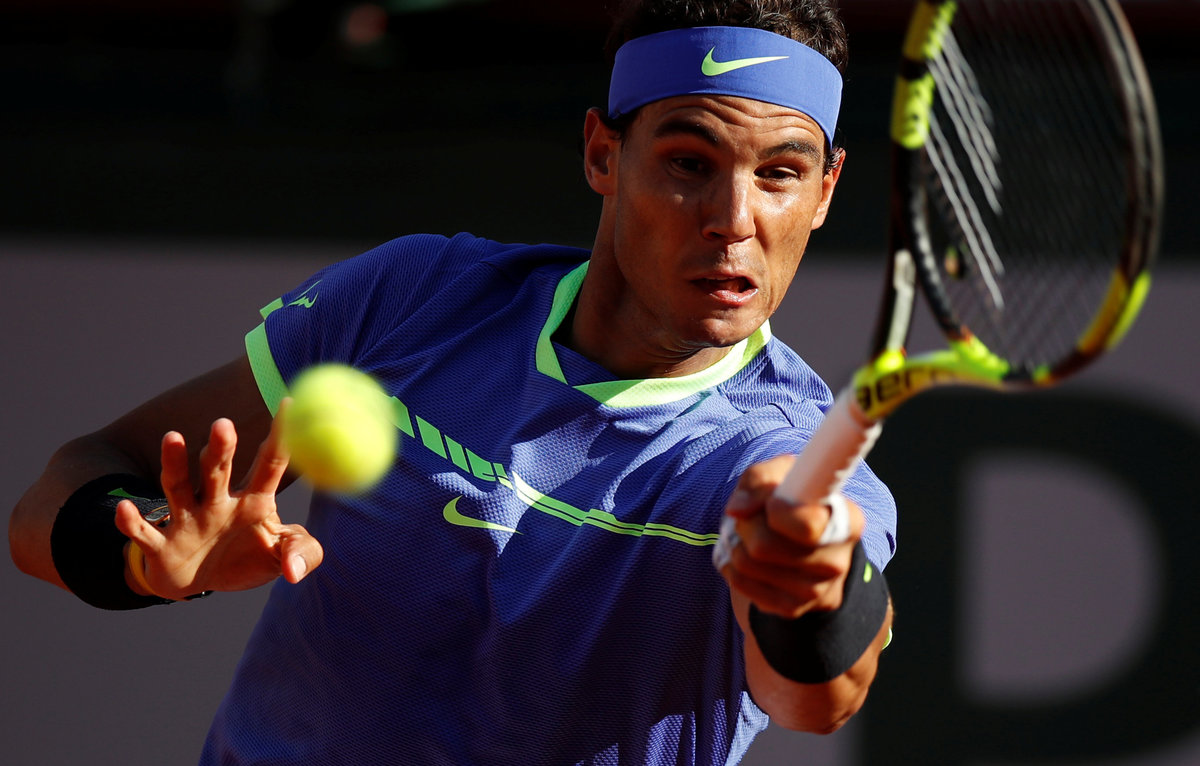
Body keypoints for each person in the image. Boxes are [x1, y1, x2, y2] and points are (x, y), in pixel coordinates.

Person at [9, 0, 896, 763]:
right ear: (602, 154)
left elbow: (818, 698)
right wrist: (148, 554)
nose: (734, 219)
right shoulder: (415, 297)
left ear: (825, 192)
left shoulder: (789, 462)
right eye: (689, 163)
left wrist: (810, 591)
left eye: (780, 174)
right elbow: (59, 495)